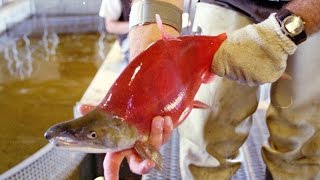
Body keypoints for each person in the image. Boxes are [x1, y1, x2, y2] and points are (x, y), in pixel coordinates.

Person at [103, 0, 320, 179]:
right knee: (207, 131)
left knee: (302, 131)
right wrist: (147, 56)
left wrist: (284, 32)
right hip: (228, 3)